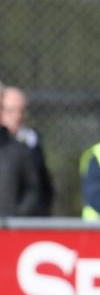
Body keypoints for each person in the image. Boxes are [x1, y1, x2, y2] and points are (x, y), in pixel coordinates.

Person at [1, 86, 55, 214]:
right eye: (11, 110)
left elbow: (38, 186)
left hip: (20, 221)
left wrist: (20, 215)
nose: (17, 116)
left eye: (22, 110)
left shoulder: (30, 141)